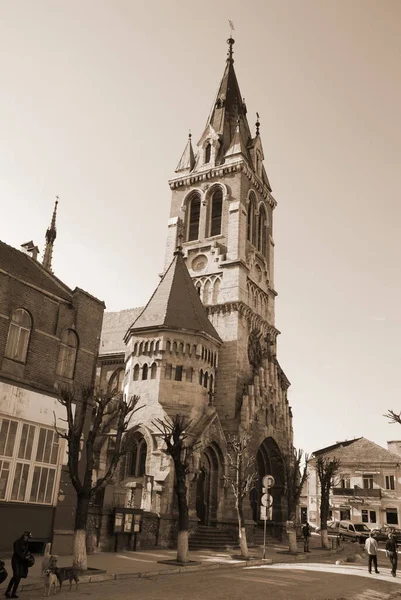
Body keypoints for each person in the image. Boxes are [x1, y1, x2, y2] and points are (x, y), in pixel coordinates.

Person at [5, 531, 32, 598]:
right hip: (16, 561)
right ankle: (8, 591)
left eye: (29, 537)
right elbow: (17, 552)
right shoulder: (17, 542)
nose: (28, 538)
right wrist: (24, 557)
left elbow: (25, 551)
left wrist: (28, 555)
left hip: (22, 562)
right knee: (16, 576)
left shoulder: (26, 543)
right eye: (27, 537)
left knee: (19, 577)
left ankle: (14, 592)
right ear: (25, 536)